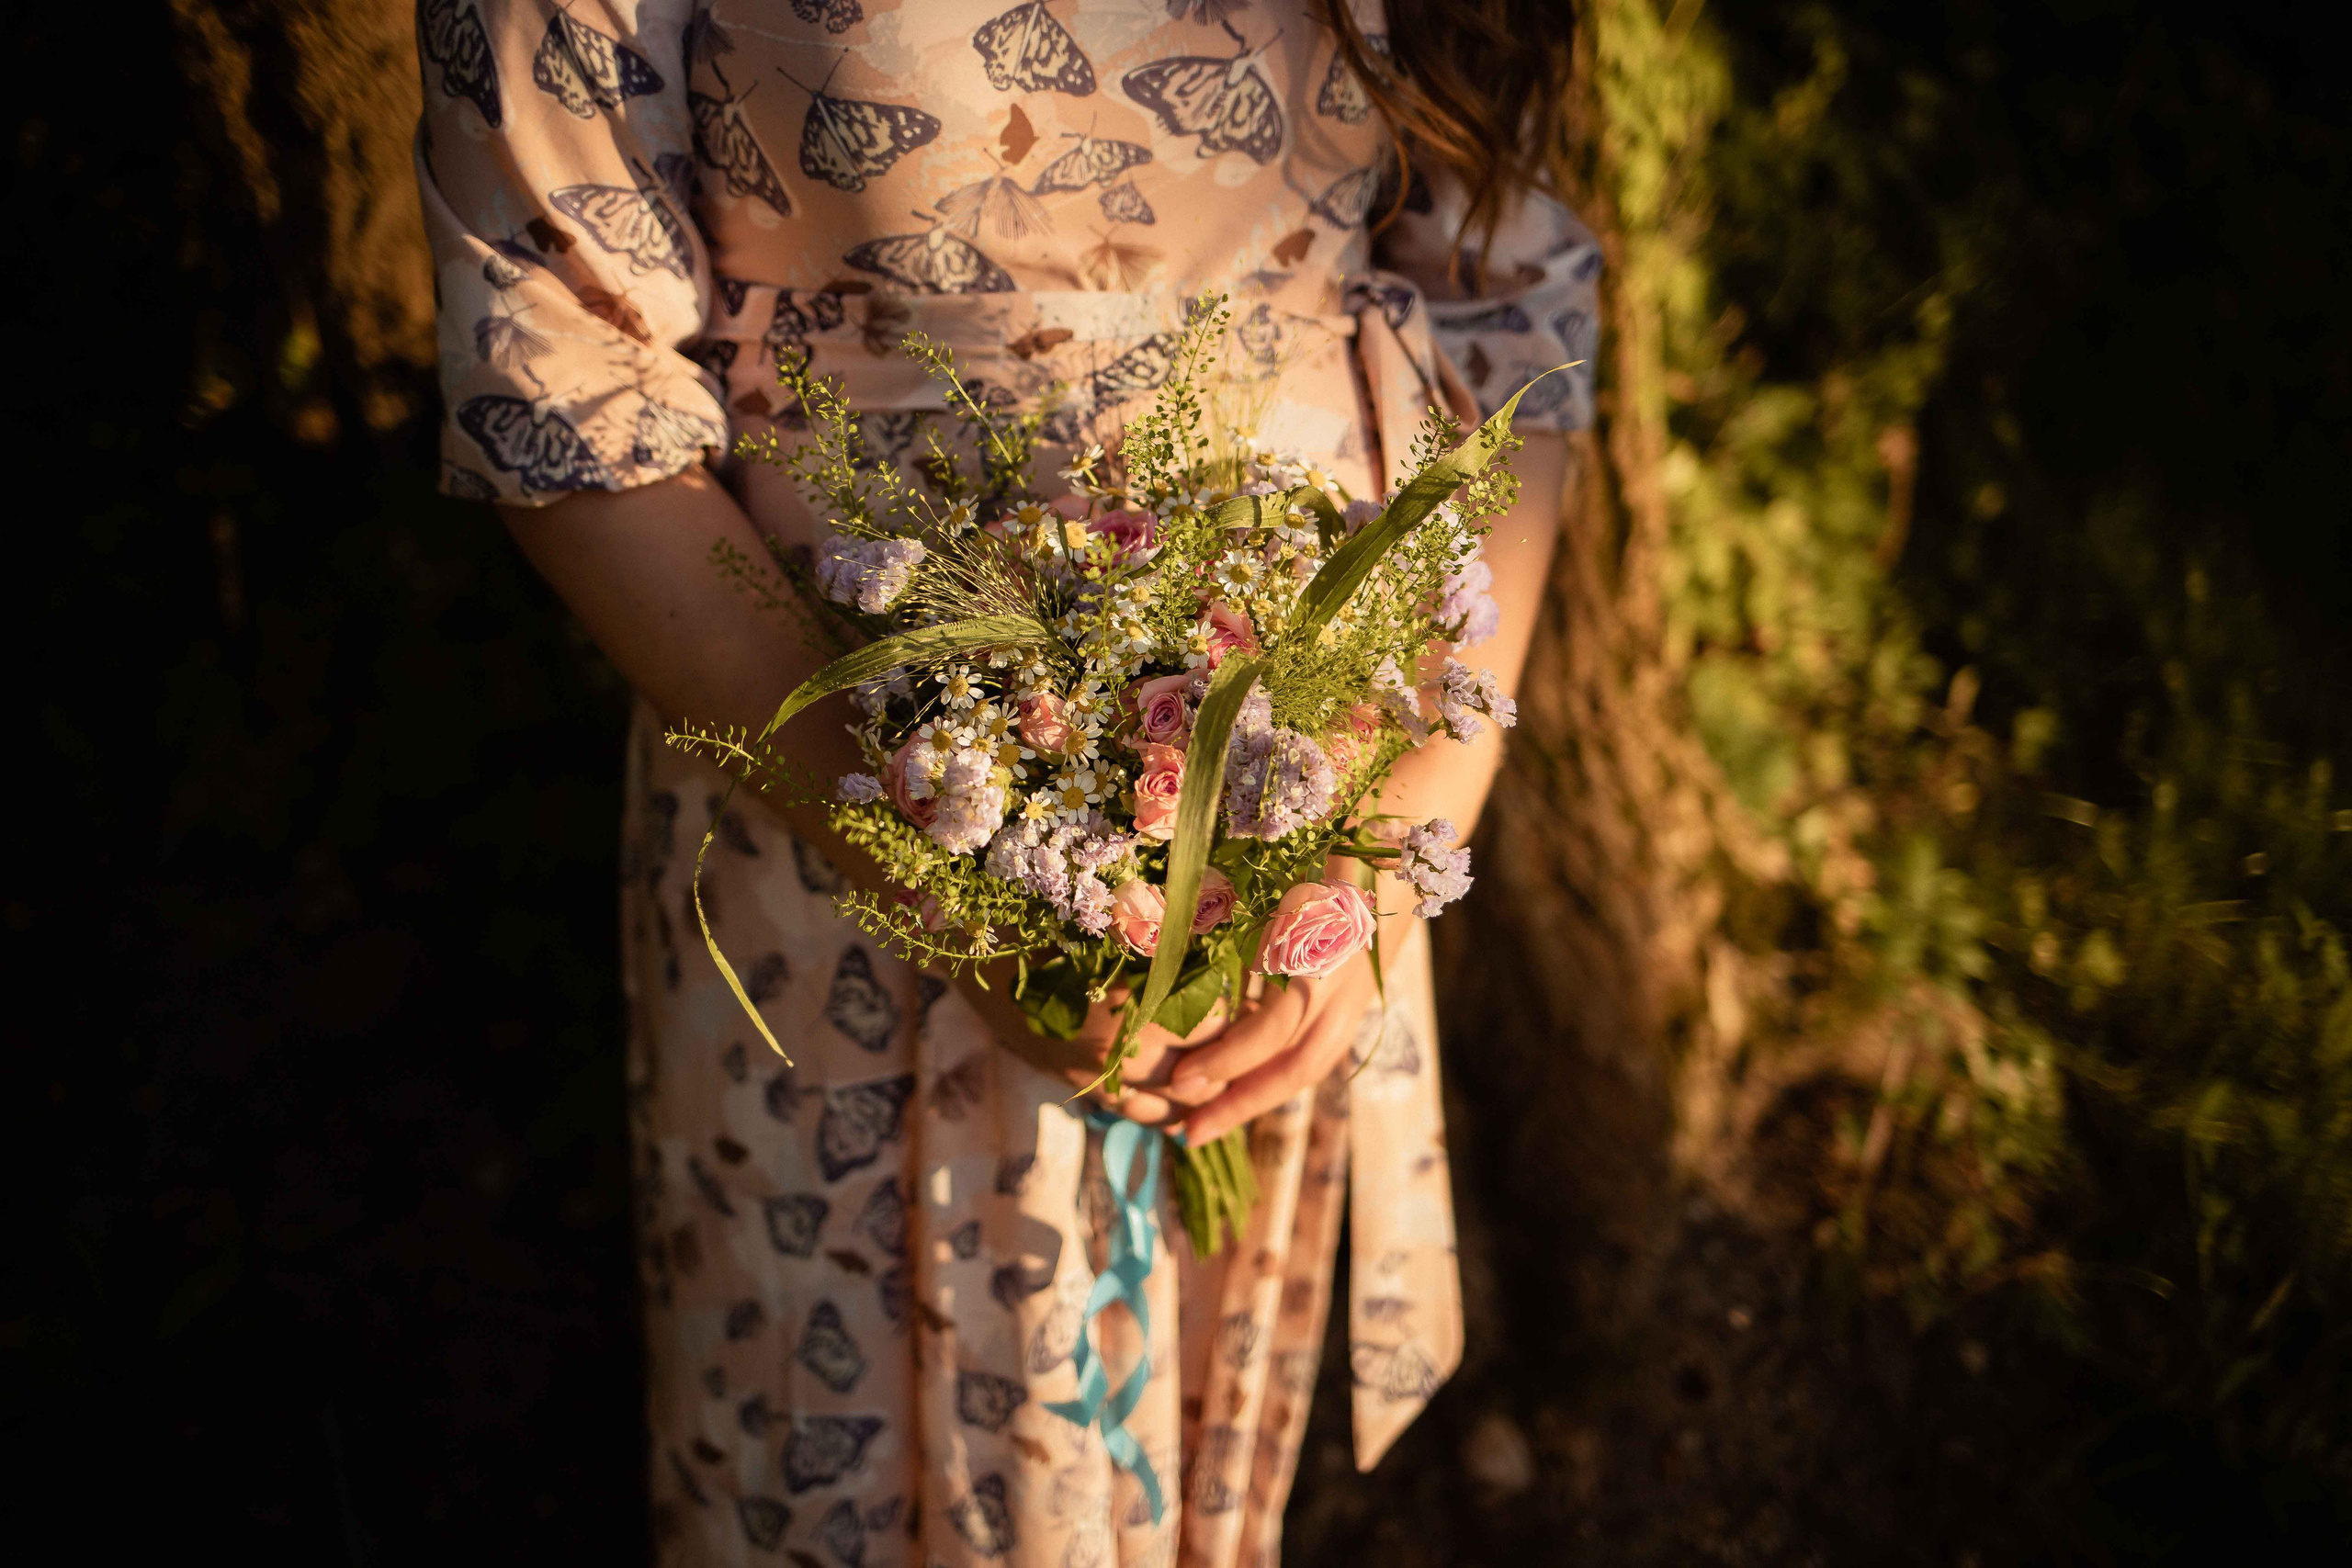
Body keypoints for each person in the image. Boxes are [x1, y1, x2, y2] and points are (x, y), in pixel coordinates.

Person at [416, 2, 1595, 1562]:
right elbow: (556, 369)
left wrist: (1384, 856)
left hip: (1309, 802)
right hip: (835, 813)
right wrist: (947, 882)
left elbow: (1508, 308)